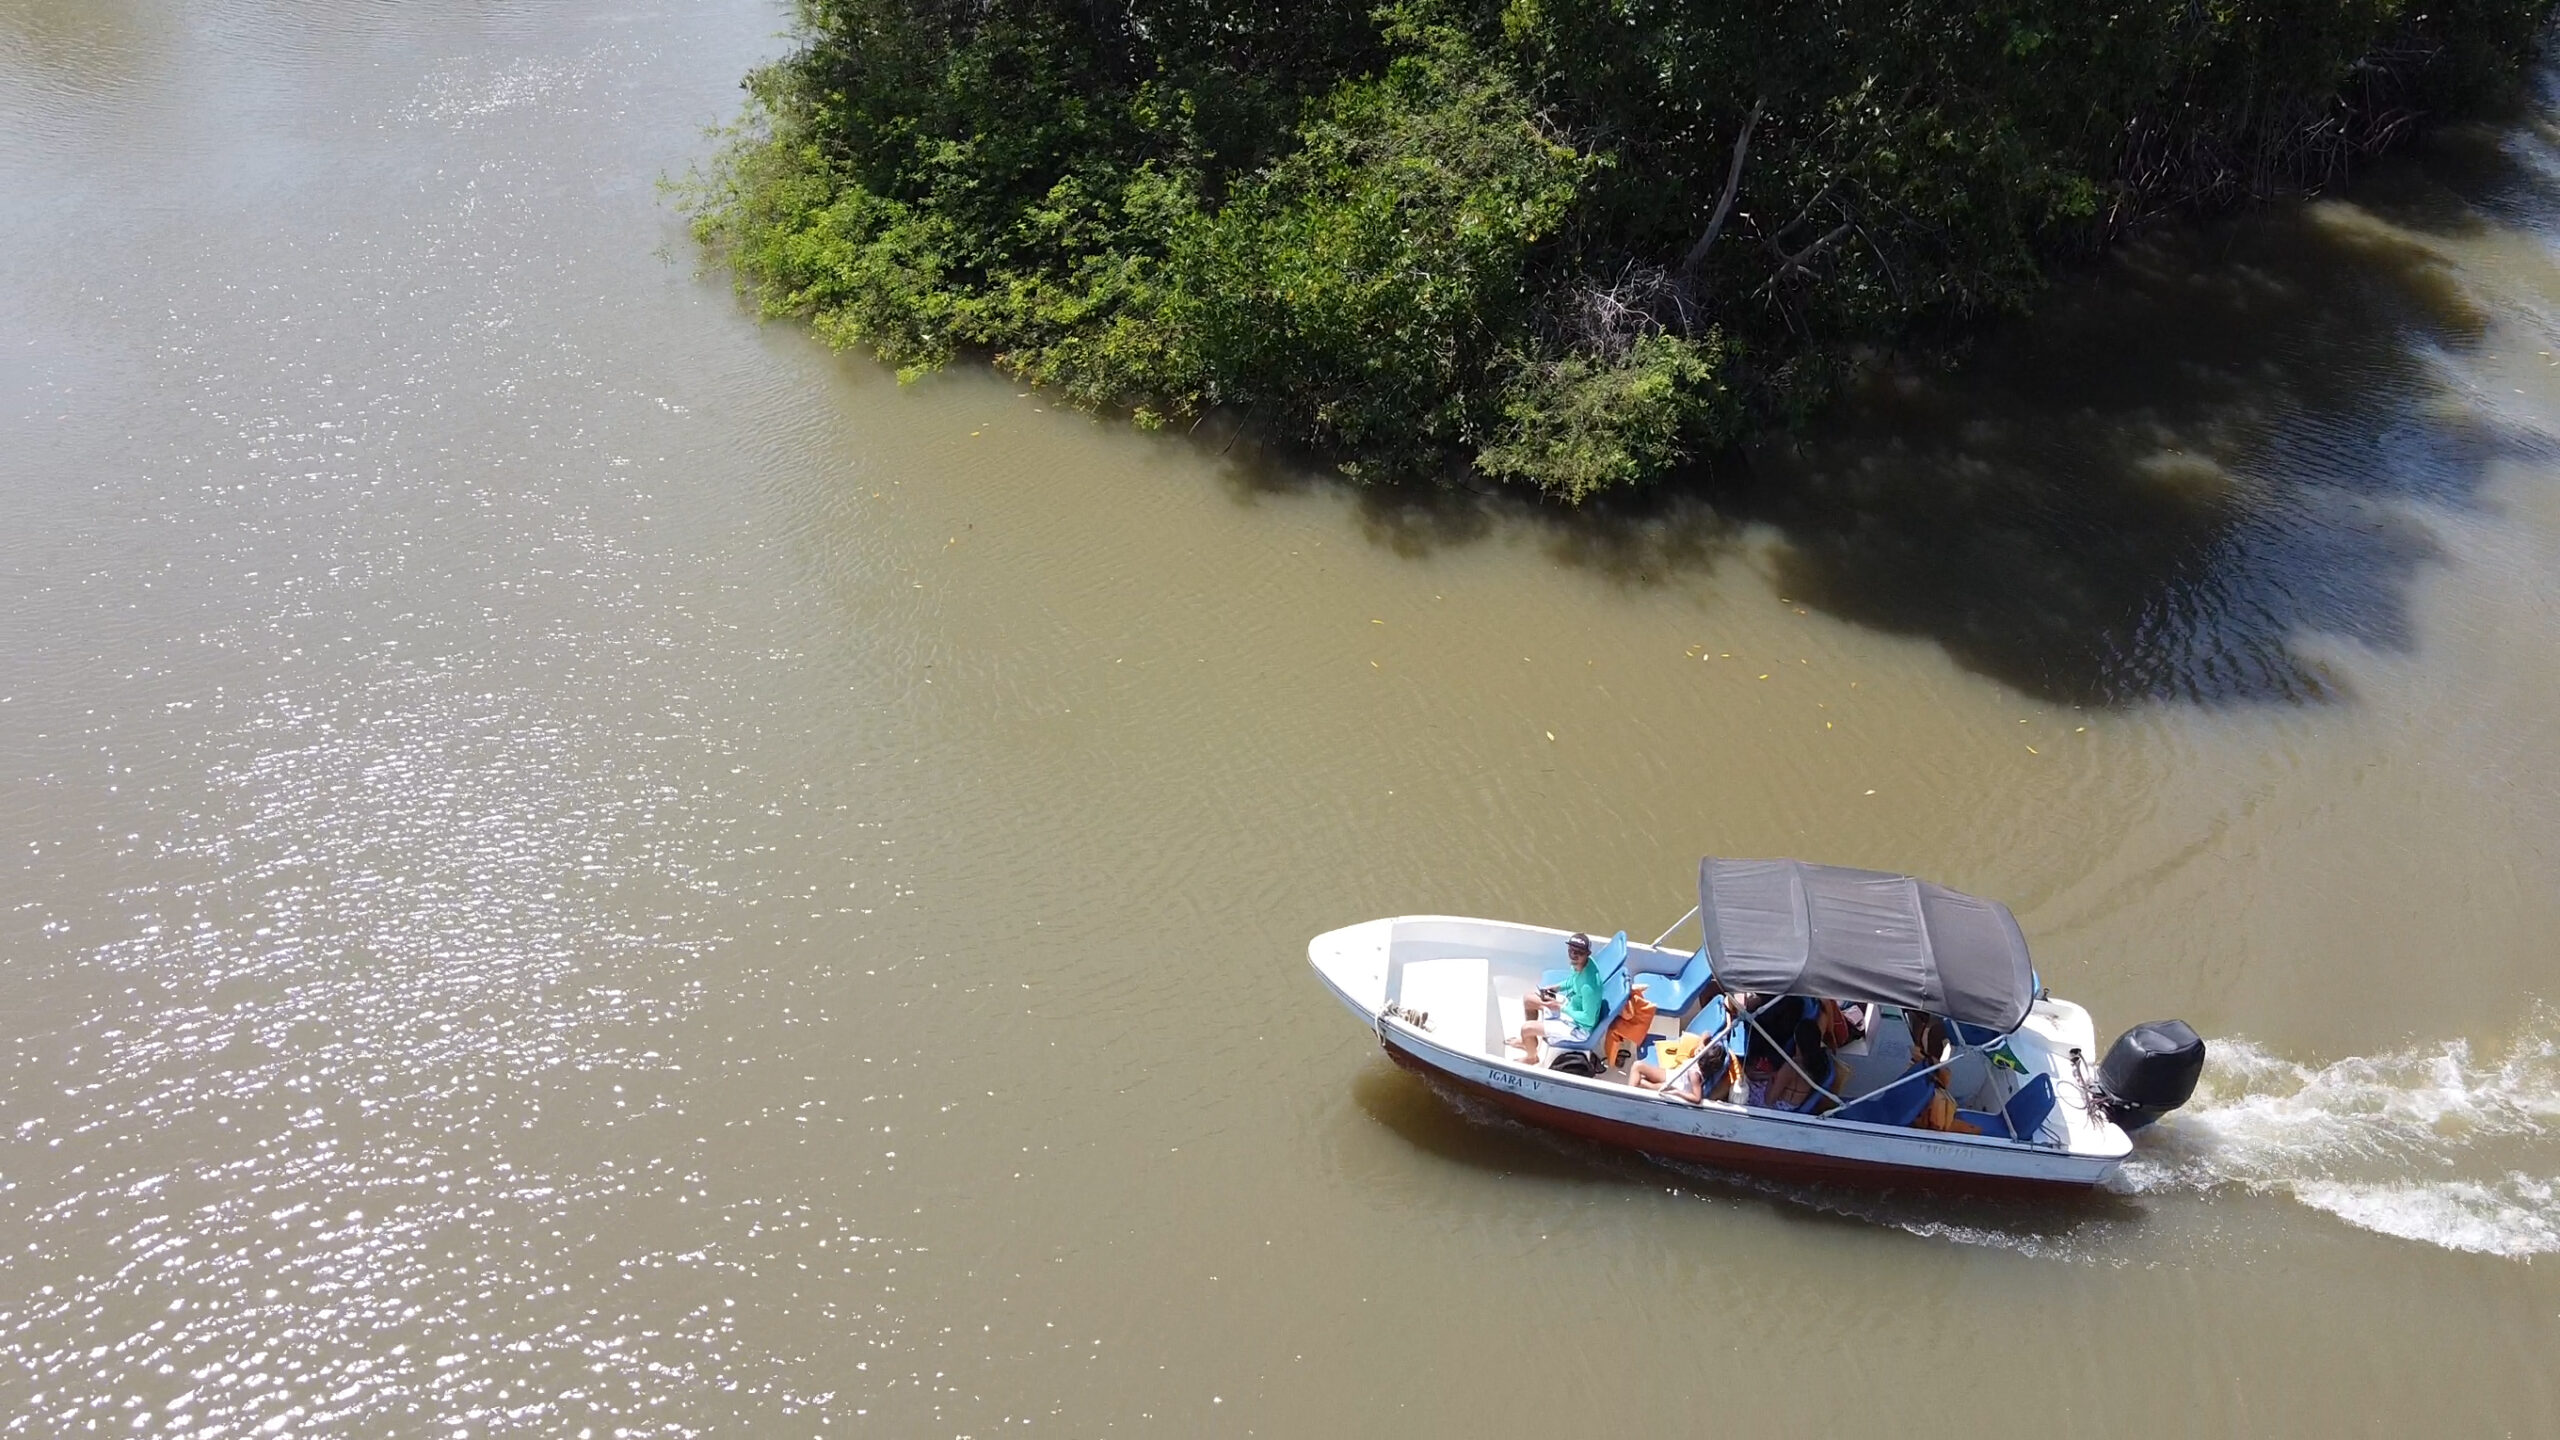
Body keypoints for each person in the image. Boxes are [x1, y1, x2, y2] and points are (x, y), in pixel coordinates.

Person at [1515, 932, 1604, 1066]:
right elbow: (1573, 981)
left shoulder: (1588, 986)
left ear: (1587, 953)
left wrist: (1561, 1008)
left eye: (1579, 952)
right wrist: (1556, 988)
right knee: (1528, 1000)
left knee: (1526, 1028)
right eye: (1571, 950)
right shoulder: (1581, 964)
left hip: (1579, 1027)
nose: (1574, 954)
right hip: (1572, 1006)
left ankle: (1531, 1057)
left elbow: (1589, 1019)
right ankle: (1530, 1043)